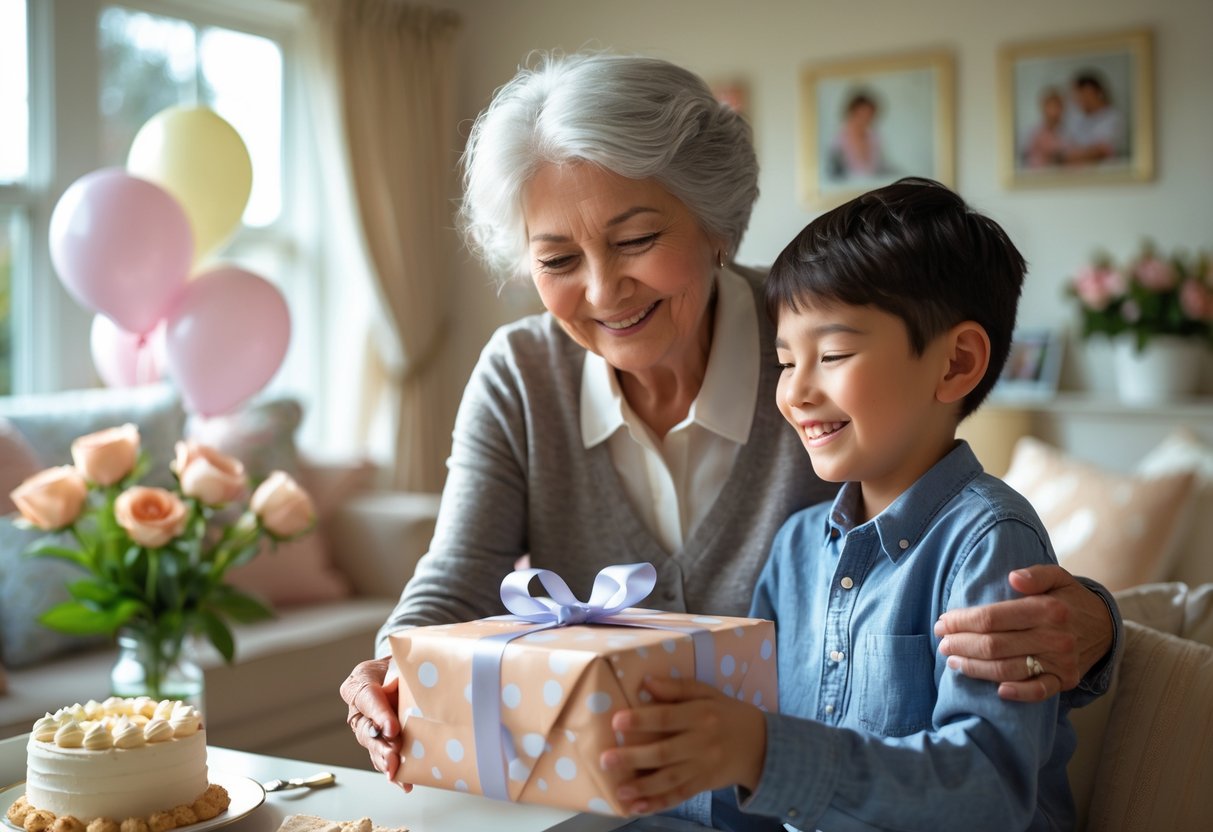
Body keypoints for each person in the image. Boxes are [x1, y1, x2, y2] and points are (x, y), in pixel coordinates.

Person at [338, 51, 1121, 795]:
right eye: (557, 260)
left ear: (715, 224)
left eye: (636, 239)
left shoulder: (828, 357)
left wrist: (1094, 628)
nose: (605, 290)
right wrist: (390, 666)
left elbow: (947, 550)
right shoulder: (520, 374)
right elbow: (458, 575)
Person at [602, 178, 1075, 830]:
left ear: (955, 363)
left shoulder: (988, 544)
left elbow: (986, 792)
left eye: (830, 355)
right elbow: (751, 791)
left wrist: (762, 751)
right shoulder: (796, 547)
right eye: (783, 361)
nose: (793, 392)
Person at [1060, 70, 1126, 165]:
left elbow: (1101, 152)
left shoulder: (1113, 117)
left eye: (1086, 95)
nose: (1081, 100)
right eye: (1078, 96)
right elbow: (1064, 146)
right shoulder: (1077, 119)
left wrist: (1068, 156)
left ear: (1099, 93)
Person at [826, 90, 888, 180]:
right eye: (861, 114)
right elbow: (832, 173)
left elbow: (880, 167)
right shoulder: (837, 140)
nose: (865, 118)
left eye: (869, 114)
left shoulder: (874, 138)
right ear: (852, 113)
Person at [1021, 86, 1067, 168]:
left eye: (1057, 106)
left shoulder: (1069, 132)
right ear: (1043, 107)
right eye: (1050, 106)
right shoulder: (1033, 132)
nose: (1054, 111)